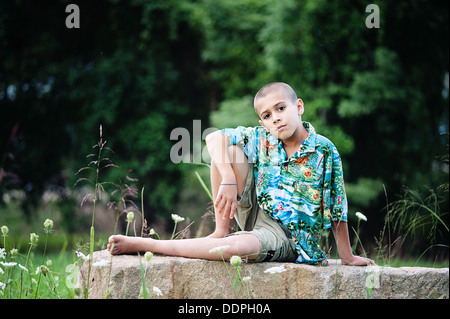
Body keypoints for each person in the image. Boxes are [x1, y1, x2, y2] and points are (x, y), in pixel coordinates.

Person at [108, 82, 375, 266]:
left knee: (237, 250)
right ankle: (221, 231)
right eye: (267, 116)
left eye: (281, 109)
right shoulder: (262, 138)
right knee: (227, 151)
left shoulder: (324, 150)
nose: (276, 119)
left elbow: (337, 206)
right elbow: (213, 138)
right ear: (262, 123)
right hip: (255, 213)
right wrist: (227, 178)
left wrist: (347, 256)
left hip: (288, 237)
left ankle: (149, 245)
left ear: (299, 107)